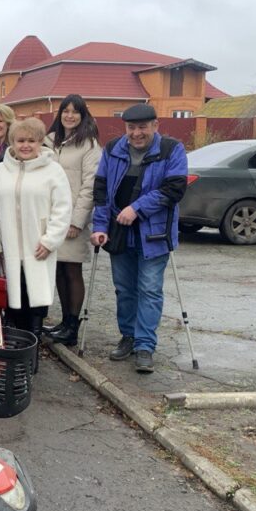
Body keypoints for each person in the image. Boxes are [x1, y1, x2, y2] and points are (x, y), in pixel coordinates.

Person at [91, 103, 188, 374]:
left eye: (143, 127)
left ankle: (145, 346)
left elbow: (174, 189)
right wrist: (99, 226)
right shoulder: (113, 149)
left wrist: (137, 208)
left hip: (154, 234)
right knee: (124, 289)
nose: (136, 133)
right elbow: (101, 190)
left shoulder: (171, 150)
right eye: (131, 128)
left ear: (155, 125)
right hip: (119, 232)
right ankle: (128, 336)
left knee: (149, 289)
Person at [0, 117, 73, 363]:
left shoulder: (53, 171)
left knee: (36, 301)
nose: (25, 146)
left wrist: (50, 240)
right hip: (9, 248)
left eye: (31, 141)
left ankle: (31, 355)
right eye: (20, 140)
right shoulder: (0, 171)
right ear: (12, 142)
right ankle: (13, 351)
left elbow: (62, 209)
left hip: (38, 247)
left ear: (40, 142)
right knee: (13, 301)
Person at [43, 95, 101, 346]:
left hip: (72, 219)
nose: (69, 116)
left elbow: (90, 186)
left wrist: (77, 221)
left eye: (75, 111)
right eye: (65, 111)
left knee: (72, 270)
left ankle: (73, 326)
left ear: (82, 115)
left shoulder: (89, 145)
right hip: (50, 218)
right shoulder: (49, 141)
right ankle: (64, 322)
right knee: (57, 269)